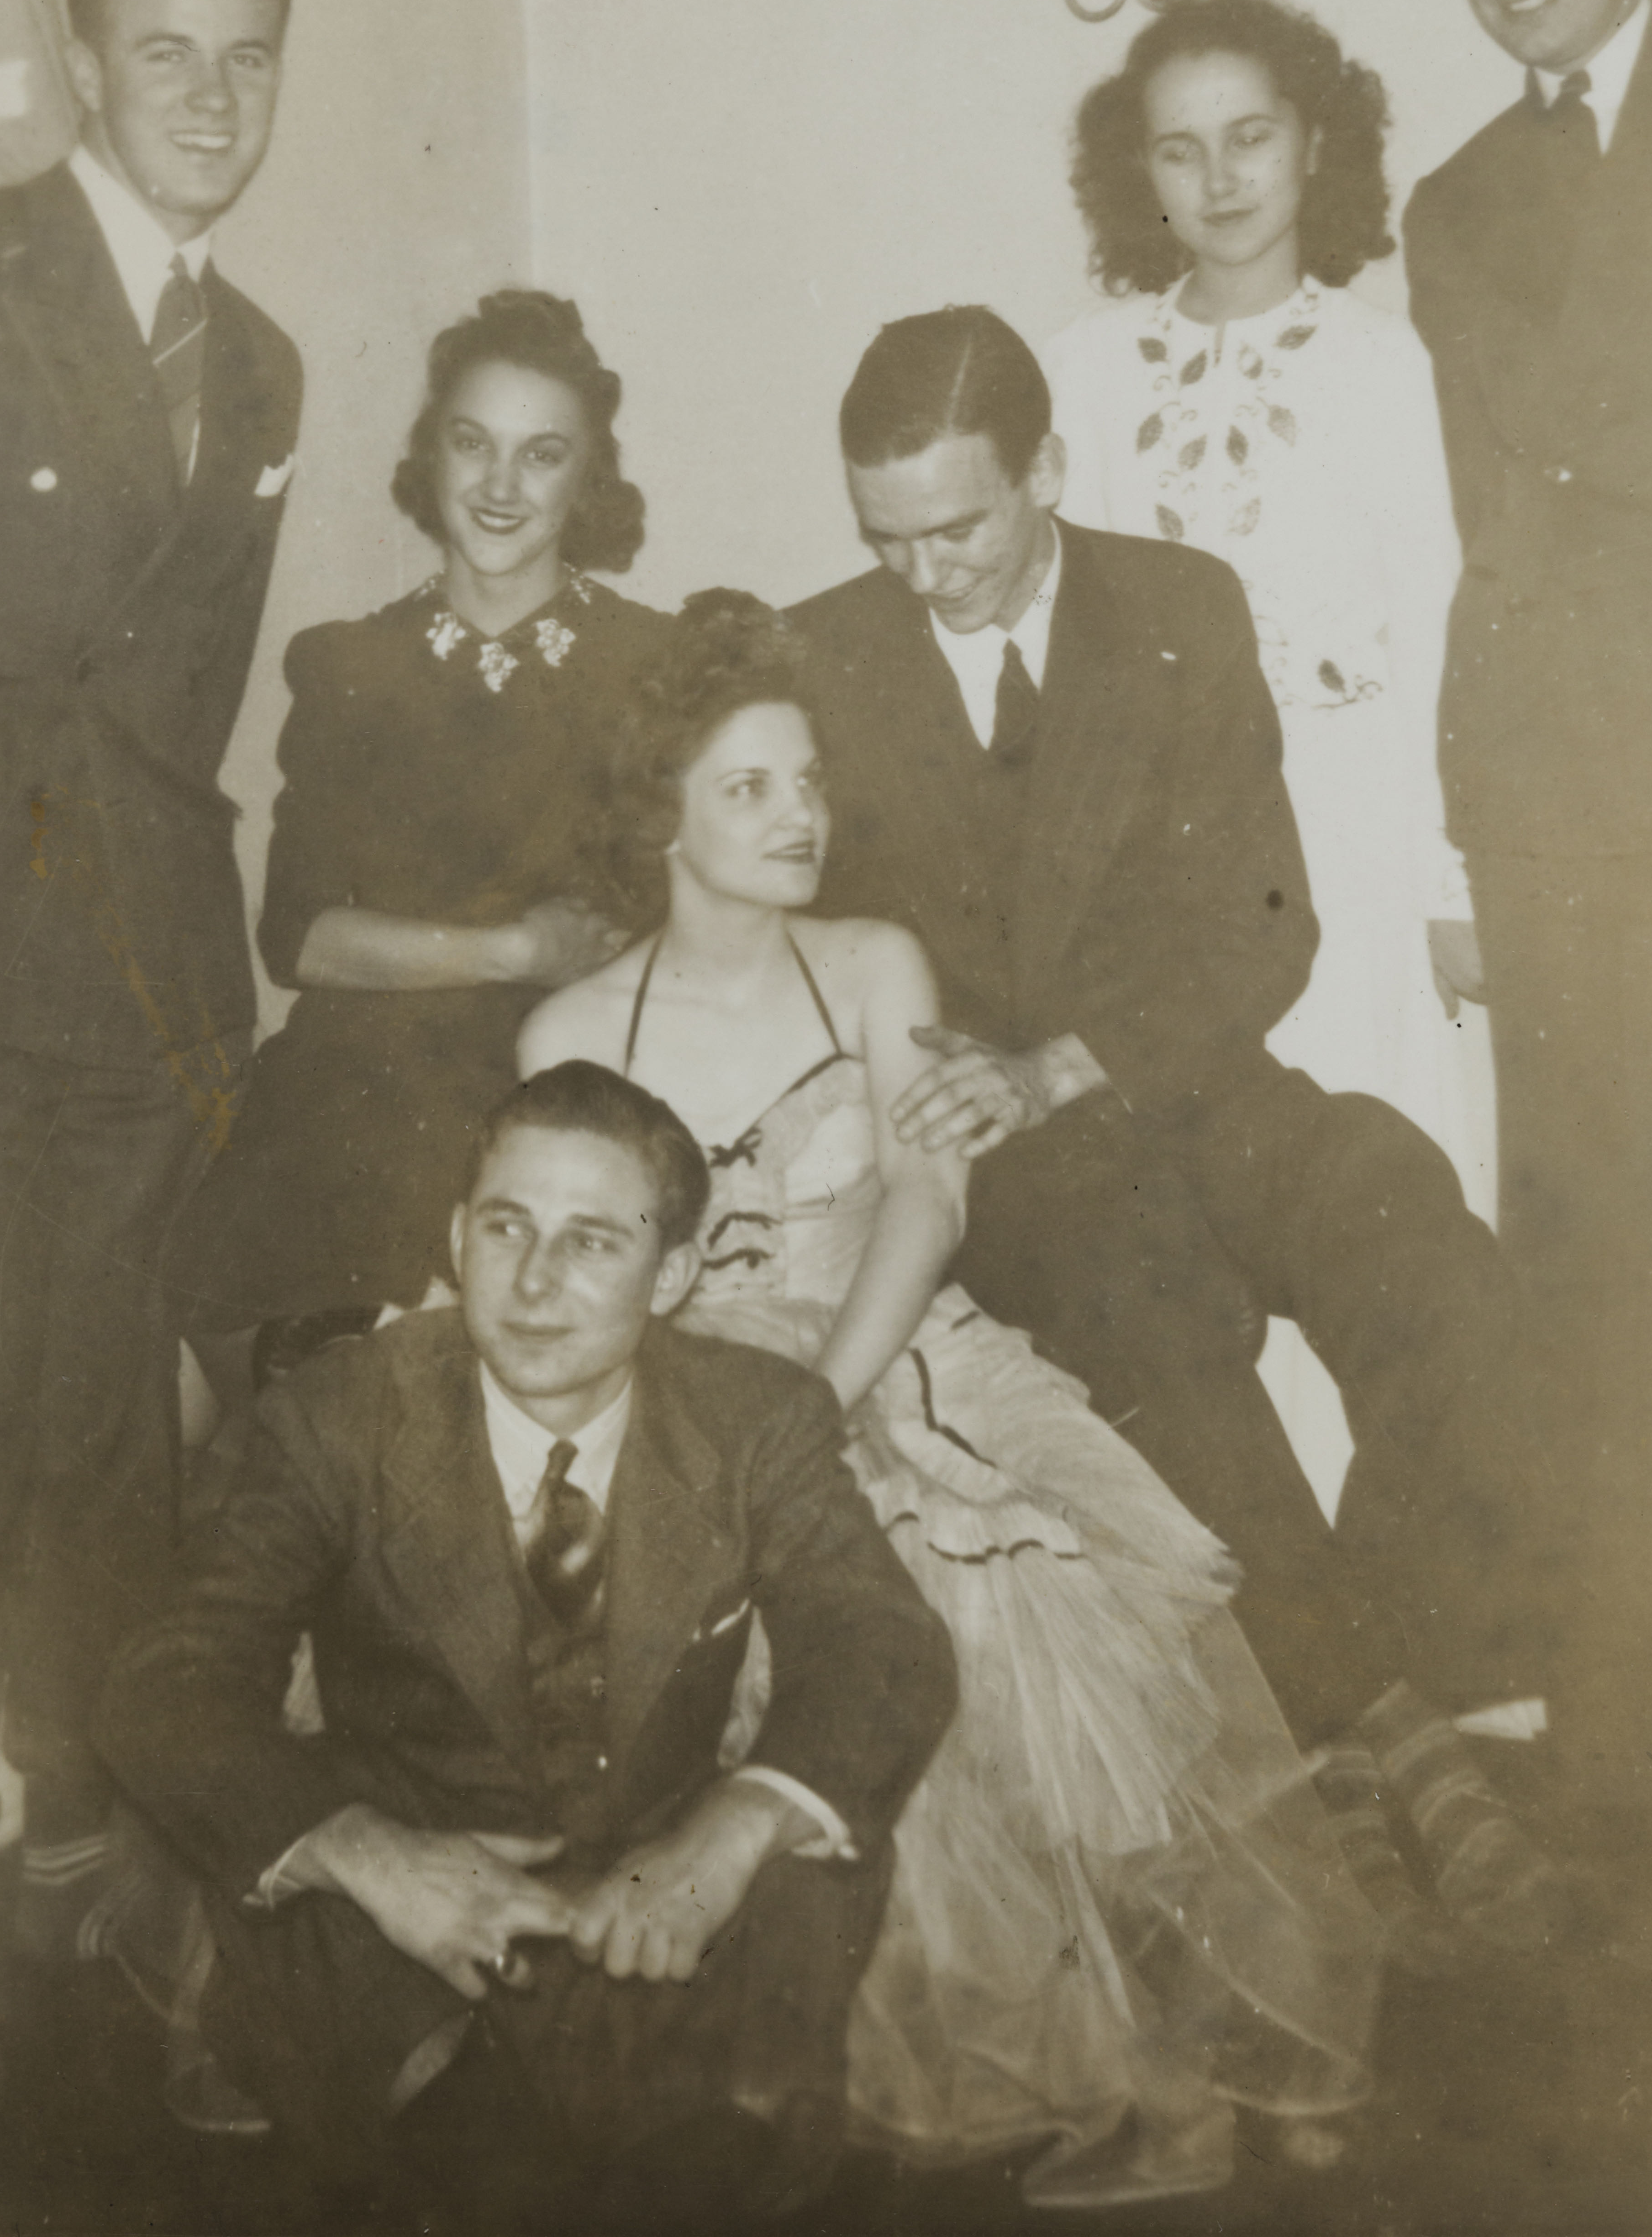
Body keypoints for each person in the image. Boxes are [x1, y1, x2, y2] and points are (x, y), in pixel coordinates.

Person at [519, 592, 1382, 2204]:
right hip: (695, 1403)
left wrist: (828, 1402)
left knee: (1033, 1658)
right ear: (665, 819)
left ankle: (1198, 2062)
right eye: (750, 789)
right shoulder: (576, 1027)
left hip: (901, 1351)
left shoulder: (868, 962)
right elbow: (566, 1274)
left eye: (808, 781)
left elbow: (930, 1202)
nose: (802, 817)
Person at [788, 304, 1568, 1954]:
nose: (926, 573)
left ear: (1050, 470)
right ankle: (1401, 1754)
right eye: (889, 537)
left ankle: (1348, 1688)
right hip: (1005, 1162)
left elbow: (1263, 928)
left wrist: (1068, 1060)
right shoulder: (823, 657)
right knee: (1156, 1313)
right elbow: (814, 946)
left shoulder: (1178, 609)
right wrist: (966, 1081)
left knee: (1418, 1236)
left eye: (962, 527)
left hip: (1182, 1087)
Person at [100, 1061, 956, 2226]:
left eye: (597, 1242)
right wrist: (372, 1853)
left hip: (660, 1895)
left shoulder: (759, 1417)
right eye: (508, 1227)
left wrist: (733, 1826)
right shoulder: (342, 1411)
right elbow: (167, 1685)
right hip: (406, 1918)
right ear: (457, 1238)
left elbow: (883, 1645)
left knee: (786, 1936)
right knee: (478, 2170)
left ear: (676, 1274)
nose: (538, 1281)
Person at [0, 0, 300, 1990]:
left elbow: (180, 712)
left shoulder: (259, 356)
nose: (212, 95)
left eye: (250, 54)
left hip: (146, 969)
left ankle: (80, 1838)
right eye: (168, 51)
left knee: (101, 1407)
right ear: (89, 64)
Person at [1404, 0, 1652, 1771]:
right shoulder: (1450, 205)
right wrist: (1476, 824)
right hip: (1558, 809)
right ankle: (1644, 1712)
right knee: (1594, 1248)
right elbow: (1490, 532)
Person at [1045, 0, 1491, 1208]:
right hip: (1158, 850)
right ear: (1133, 171)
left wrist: (1446, 888)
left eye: (1248, 136)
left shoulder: (1383, 368)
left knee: (1354, 1185)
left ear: (1313, 142)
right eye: (1177, 149)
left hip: (1345, 836)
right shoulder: (1085, 366)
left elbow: (1439, 630)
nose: (1218, 177)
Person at [163, 290, 660, 1353]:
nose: (498, 485)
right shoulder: (349, 665)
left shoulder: (653, 668)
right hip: (354, 1091)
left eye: (542, 455)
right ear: (431, 455)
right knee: (197, 1376)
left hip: (551, 1089)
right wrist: (515, 947)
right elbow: (298, 937)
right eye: (473, 443)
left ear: (588, 480)